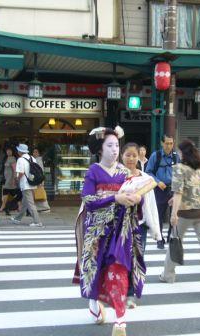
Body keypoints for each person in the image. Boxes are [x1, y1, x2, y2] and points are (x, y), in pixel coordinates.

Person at [78, 126, 144, 336]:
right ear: (100, 149)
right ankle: (94, 301)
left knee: (118, 270)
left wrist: (137, 199)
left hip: (120, 229)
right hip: (98, 231)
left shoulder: (125, 173)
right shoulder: (93, 171)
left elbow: (135, 200)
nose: (115, 150)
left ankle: (120, 320)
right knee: (97, 270)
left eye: (117, 145)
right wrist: (115, 197)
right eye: (110, 146)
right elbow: (88, 200)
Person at [159, 139, 200, 295]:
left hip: (185, 213)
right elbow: (196, 190)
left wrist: (173, 214)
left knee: (175, 241)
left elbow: (179, 192)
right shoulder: (199, 169)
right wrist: (176, 199)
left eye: (179, 151)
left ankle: (168, 274)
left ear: (183, 153)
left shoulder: (179, 168)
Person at [121, 142, 161, 309]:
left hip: (139, 225)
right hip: (118, 225)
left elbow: (151, 206)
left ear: (139, 157)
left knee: (136, 258)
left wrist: (156, 231)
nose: (131, 158)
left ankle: (130, 293)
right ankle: (118, 289)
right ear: (121, 156)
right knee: (119, 258)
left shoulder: (146, 180)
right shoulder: (115, 177)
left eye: (134, 155)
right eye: (127, 155)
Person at [146, 135, 180, 249]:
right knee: (159, 215)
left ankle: (171, 236)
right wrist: (157, 182)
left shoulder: (176, 157)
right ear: (162, 143)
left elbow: (179, 174)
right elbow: (148, 172)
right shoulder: (156, 156)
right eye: (166, 143)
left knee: (173, 214)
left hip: (173, 189)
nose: (169, 146)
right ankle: (159, 239)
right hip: (159, 189)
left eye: (171, 143)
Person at [10, 144, 43, 227]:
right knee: (25, 203)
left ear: (20, 151)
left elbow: (20, 173)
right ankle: (18, 218)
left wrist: (16, 179)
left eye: (18, 150)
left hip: (25, 184)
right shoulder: (32, 158)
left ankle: (37, 221)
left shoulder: (20, 160)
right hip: (32, 183)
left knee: (30, 203)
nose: (17, 151)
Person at [0, 147, 21, 215]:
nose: (8, 152)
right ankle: (4, 206)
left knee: (12, 193)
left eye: (10, 151)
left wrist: (14, 178)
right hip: (6, 178)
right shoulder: (5, 158)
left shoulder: (13, 159)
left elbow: (14, 169)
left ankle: (18, 206)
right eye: (7, 150)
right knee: (8, 192)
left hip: (10, 179)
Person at [33, 148, 50, 213]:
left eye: (36, 152)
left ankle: (45, 207)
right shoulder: (37, 160)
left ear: (39, 153)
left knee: (40, 193)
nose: (34, 153)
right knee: (38, 193)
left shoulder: (38, 160)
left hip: (39, 179)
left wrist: (40, 180)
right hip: (39, 179)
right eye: (34, 152)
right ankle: (41, 208)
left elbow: (40, 171)